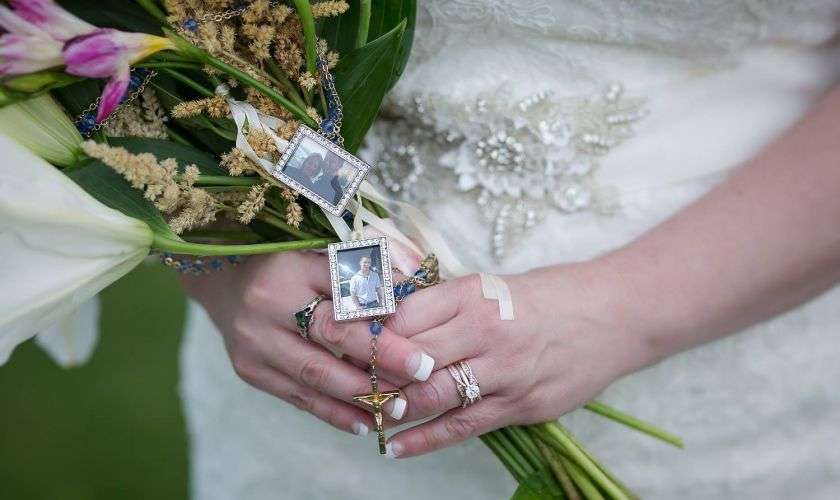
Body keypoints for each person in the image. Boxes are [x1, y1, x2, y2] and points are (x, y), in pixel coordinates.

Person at [179, 3, 840, 499]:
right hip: (307, 407)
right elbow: (137, 65)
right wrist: (222, 260)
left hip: (726, 345)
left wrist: (620, 314)